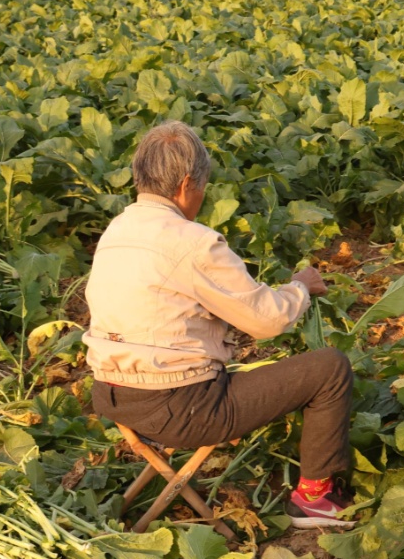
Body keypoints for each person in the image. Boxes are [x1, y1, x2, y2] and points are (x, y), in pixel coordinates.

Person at [84, 121, 354, 527]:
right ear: (187, 183)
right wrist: (299, 287)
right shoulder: (192, 241)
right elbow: (267, 320)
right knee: (329, 368)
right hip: (182, 411)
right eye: (202, 187)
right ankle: (315, 499)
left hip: (111, 394)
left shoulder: (117, 229)